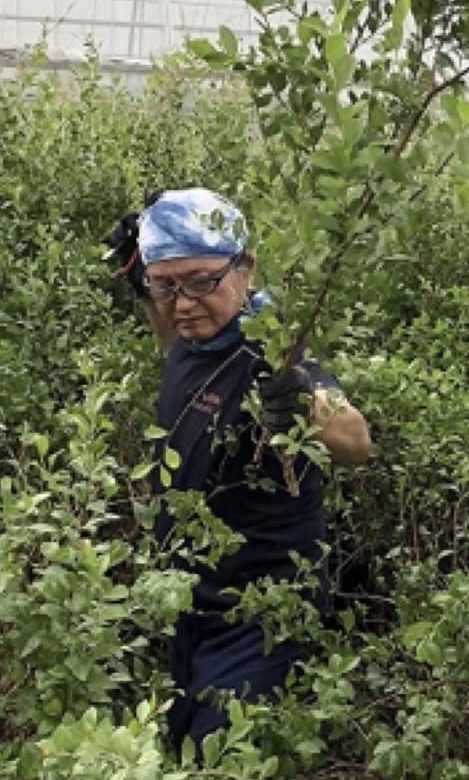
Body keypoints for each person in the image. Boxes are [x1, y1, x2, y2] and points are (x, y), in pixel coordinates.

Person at [103, 188, 371, 750]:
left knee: (214, 776)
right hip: (188, 604)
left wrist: (301, 403)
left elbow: (356, 441)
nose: (183, 305)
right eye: (165, 285)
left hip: (259, 617)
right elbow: (169, 328)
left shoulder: (268, 349)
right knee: (169, 750)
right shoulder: (191, 328)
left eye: (200, 281)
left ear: (245, 268)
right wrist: (141, 277)